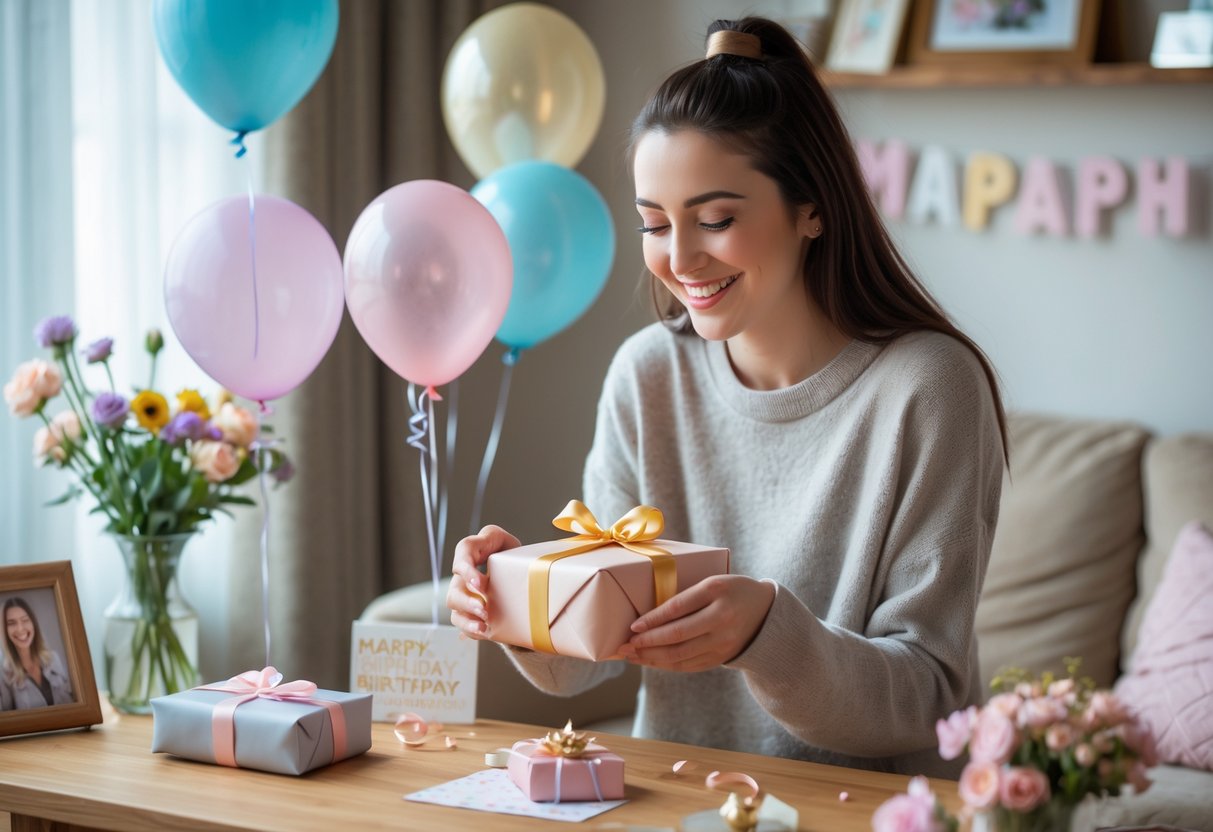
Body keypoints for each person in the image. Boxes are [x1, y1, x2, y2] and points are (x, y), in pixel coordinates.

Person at [447, 17, 1006, 777]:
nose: (678, 260)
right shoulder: (647, 374)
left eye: (715, 219)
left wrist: (768, 637)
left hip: (872, 813)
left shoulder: (929, 388)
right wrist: (516, 597)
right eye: (653, 223)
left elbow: (928, 698)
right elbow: (589, 658)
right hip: (677, 802)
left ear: (811, 208)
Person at [2, 596, 74, 710]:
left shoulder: (53, 659)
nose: (20, 629)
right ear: (5, 631)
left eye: (25, 620)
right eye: (11, 623)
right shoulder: (4, 676)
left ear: (33, 623)